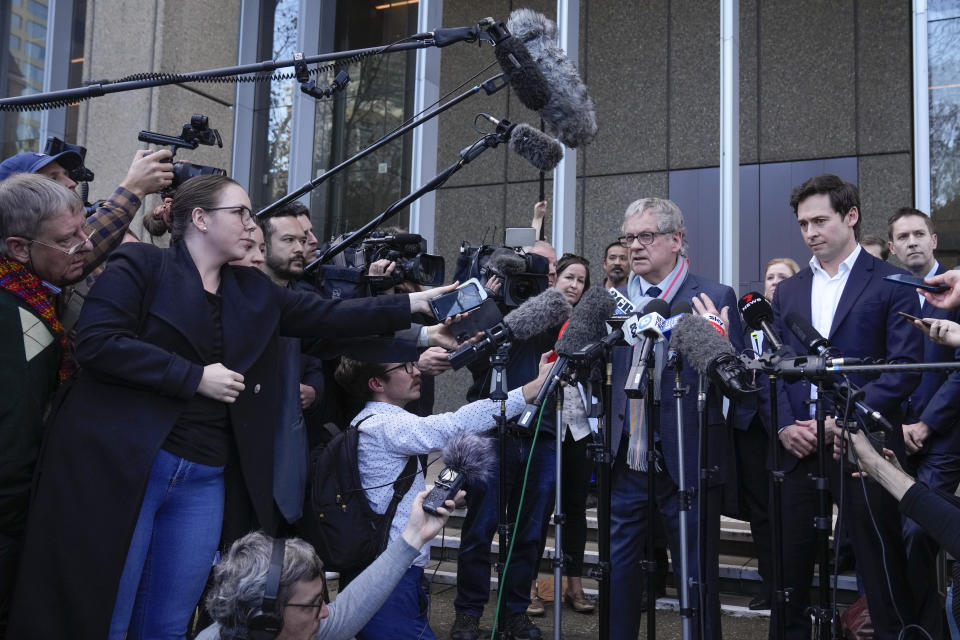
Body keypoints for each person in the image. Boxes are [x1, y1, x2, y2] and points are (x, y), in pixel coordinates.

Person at [7, 174, 450, 639]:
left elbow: (328, 318)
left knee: (168, 619)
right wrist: (194, 376)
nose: (250, 223)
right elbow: (99, 344)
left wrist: (416, 311)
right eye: (239, 212)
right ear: (199, 219)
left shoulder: (252, 290)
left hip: (205, 474)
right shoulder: (139, 264)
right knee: (106, 609)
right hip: (129, 467)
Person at [769, 174, 922, 640]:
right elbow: (774, 367)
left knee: (879, 566)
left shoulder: (894, 282)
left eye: (820, 220)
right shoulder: (790, 291)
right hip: (798, 445)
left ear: (850, 216)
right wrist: (783, 426)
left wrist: (845, 420)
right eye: (802, 224)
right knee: (788, 575)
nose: (810, 232)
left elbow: (905, 366)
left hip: (866, 448)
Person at [333, 352, 553, 640]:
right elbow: (453, 425)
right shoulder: (384, 425)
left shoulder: (375, 422)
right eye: (406, 366)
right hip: (389, 578)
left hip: (397, 573)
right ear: (377, 383)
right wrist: (530, 390)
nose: (416, 372)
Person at [608, 197, 744, 640]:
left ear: (676, 240)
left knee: (694, 574)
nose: (635, 247)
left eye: (646, 236)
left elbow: (736, 381)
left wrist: (715, 341)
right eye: (629, 238)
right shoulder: (614, 300)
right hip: (627, 457)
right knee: (620, 569)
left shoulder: (713, 296)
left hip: (688, 455)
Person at [0, 174, 94, 636]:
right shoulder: (20, 319)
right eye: (67, 239)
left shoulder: (29, 295)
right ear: (19, 248)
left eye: (83, 230)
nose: (85, 245)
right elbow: (15, 435)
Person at [196, 488, 462, 640]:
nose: (325, 613)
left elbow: (350, 608)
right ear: (264, 619)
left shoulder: (286, 628)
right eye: (312, 605)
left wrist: (415, 535)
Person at [885, 207, 960, 637]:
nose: (912, 241)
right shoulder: (889, 292)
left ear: (934, 240)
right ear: (892, 247)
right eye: (903, 236)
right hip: (895, 434)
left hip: (944, 438)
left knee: (918, 532)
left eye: (919, 233)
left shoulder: (957, 291)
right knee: (888, 534)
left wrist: (928, 424)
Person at [733, 257, 800, 611]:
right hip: (752, 428)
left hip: (790, 425)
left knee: (789, 507)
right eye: (770, 277)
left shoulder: (795, 321)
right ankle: (769, 582)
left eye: (783, 276)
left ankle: (793, 581)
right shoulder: (747, 322)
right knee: (761, 510)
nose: (774, 282)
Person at [552, 254, 596, 614]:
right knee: (538, 508)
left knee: (575, 509)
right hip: (543, 426)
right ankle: (532, 587)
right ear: (555, 278)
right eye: (569, 277)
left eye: (581, 281)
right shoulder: (540, 317)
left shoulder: (589, 322)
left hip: (578, 427)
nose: (574, 286)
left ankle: (575, 585)